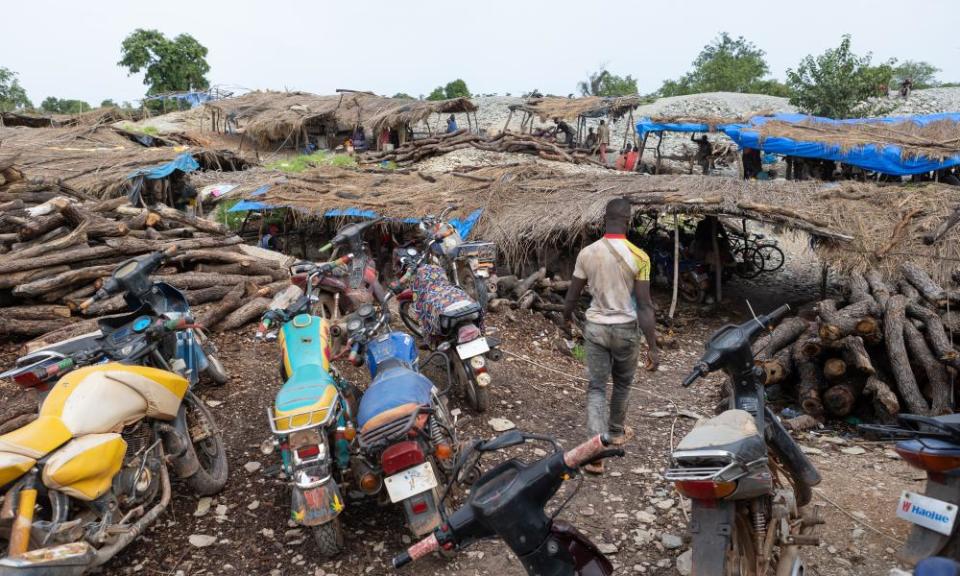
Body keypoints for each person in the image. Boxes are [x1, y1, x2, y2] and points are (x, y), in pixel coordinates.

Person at [563, 198, 659, 475]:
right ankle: (615, 432)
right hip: (626, 330)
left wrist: (566, 319)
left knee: (596, 387)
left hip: (595, 328)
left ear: (604, 220)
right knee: (622, 384)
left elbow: (573, 294)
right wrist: (653, 346)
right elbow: (644, 305)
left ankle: (595, 454)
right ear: (628, 221)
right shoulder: (640, 257)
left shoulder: (587, 253)